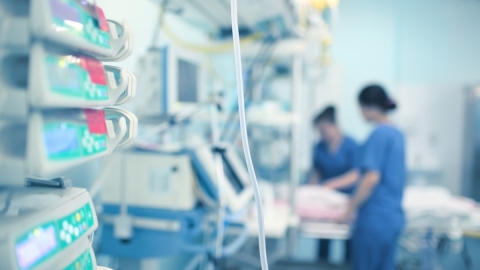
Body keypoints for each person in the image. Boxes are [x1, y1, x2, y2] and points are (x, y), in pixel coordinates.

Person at [343, 85, 406, 270]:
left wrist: (349, 209)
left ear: (368, 107)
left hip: (374, 220)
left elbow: (370, 178)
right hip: (392, 218)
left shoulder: (379, 134)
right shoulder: (397, 133)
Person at [310, 106, 360, 194]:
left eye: (324, 130)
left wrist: (331, 185)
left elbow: (356, 174)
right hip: (326, 195)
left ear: (335, 125)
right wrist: (310, 191)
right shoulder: (319, 147)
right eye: (320, 131)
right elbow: (316, 173)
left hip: (347, 195)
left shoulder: (351, 145)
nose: (322, 133)